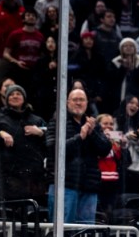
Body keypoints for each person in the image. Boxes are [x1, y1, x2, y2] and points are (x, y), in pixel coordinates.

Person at [0, 84, 48, 203]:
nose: (15, 96)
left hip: (33, 184)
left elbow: (54, 144)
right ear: (6, 99)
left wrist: (41, 133)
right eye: (11, 94)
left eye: (18, 94)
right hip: (6, 184)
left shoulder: (37, 120)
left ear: (24, 98)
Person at [46, 88, 110, 223]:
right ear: (67, 103)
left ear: (87, 103)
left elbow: (105, 150)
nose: (78, 103)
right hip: (65, 186)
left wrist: (93, 133)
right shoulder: (57, 121)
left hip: (89, 186)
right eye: (75, 100)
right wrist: (80, 137)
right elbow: (54, 149)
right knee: (63, 232)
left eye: (82, 100)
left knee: (85, 233)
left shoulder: (93, 124)